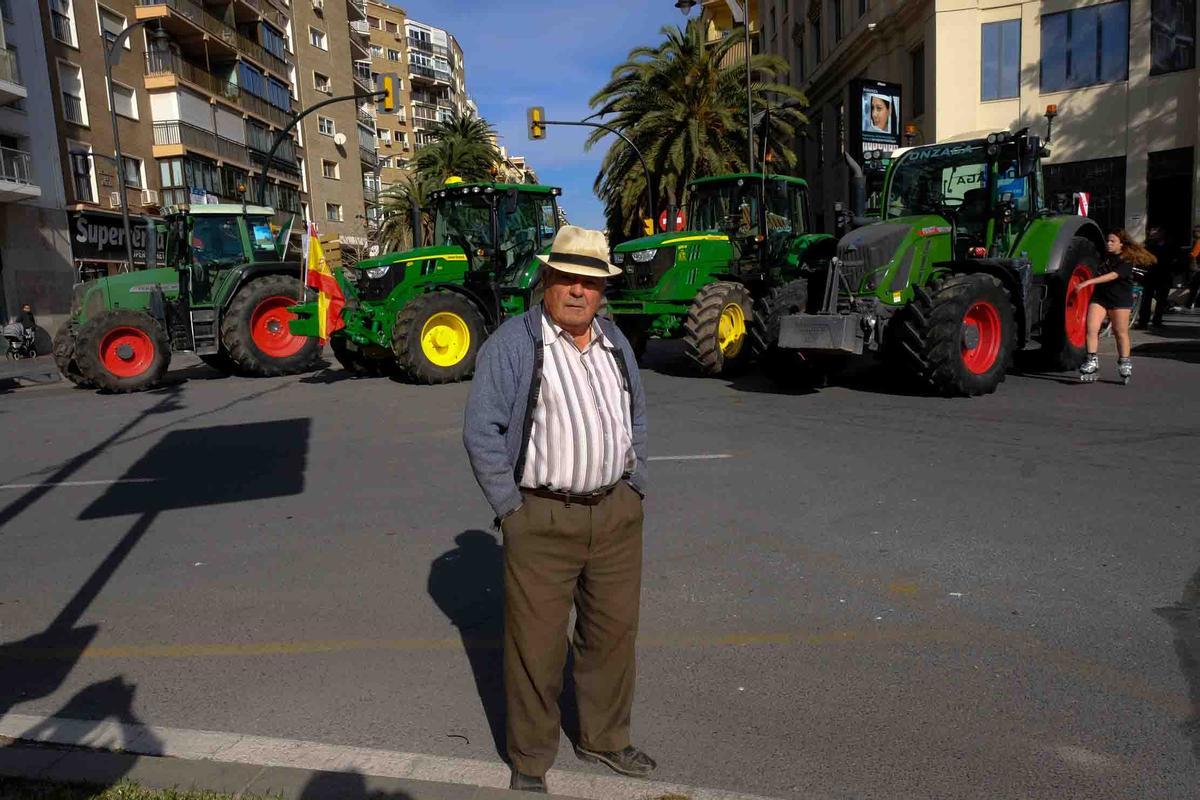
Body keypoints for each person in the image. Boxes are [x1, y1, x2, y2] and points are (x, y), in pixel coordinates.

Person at [462, 225, 652, 794]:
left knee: (612, 636)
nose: (577, 292)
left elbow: (635, 418)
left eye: (589, 283)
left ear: (603, 292)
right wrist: (510, 508)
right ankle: (530, 759)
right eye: (566, 279)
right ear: (546, 280)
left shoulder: (615, 343)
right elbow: (482, 431)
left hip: (616, 514)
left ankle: (605, 738)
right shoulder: (514, 344)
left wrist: (636, 482)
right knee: (536, 648)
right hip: (541, 518)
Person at [1073, 230, 1156, 383]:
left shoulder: (1127, 260)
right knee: (1091, 328)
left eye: (1112, 241)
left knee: (1120, 332)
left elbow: (1113, 275)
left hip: (1119, 299)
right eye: (1107, 241)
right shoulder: (1104, 257)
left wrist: (1088, 282)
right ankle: (1092, 359)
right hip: (1100, 297)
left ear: (1121, 244)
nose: (1108, 244)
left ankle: (1124, 361)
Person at [1135, 226, 1172, 329]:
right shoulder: (1148, 246)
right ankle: (1143, 322)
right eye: (1152, 232)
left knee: (1161, 300)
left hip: (1164, 275)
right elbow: (1141, 260)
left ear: (1162, 233)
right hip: (1150, 276)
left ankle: (1157, 320)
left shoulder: (1169, 246)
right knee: (1146, 299)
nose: (1153, 234)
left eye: (1155, 232)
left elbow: (1174, 260)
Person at [1186, 224, 1200, 310]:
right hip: (1197, 268)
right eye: (1194, 232)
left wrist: (1194, 266)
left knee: (1194, 287)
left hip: (1197, 268)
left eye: (1197, 232)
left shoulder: (1198, 242)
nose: (1195, 233)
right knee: (1195, 286)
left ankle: (1191, 303)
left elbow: (1193, 255)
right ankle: (1192, 303)